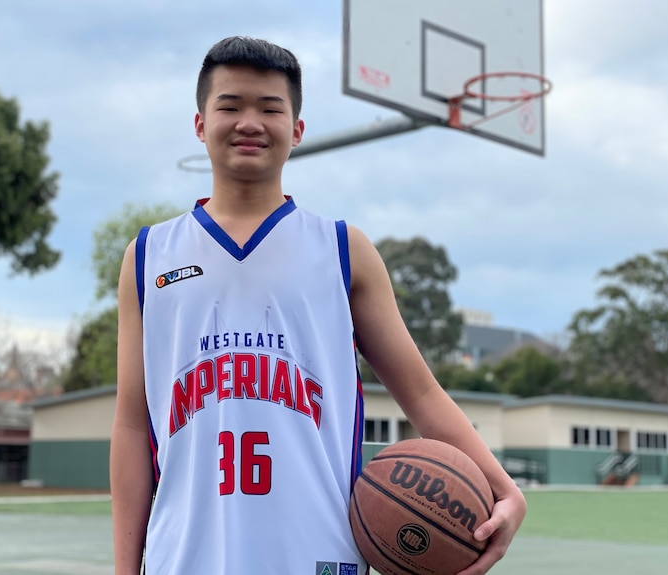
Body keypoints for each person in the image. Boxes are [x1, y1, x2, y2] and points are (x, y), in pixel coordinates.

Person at [110, 36, 526, 575]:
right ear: (199, 124)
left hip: (316, 555)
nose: (250, 122)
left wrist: (504, 488)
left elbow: (420, 392)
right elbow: (131, 425)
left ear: (297, 131)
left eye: (270, 108)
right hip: (184, 558)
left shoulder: (342, 249)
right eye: (230, 106)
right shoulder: (147, 255)